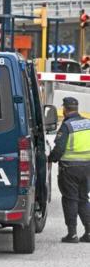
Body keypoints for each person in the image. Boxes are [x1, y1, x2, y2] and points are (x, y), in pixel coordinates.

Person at [48, 97, 90, 243]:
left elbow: (59, 149)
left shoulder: (67, 126)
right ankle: (89, 232)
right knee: (84, 199)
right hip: (87, 168)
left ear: (65, 109)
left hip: (70, 169)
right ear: (76, 108)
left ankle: (72, 234)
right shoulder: (88, 123)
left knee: (70, 199)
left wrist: (50, 159)